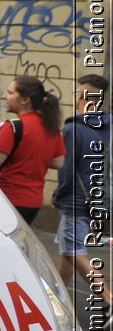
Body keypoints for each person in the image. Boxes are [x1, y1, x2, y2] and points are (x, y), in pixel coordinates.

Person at [53, 75, 110, 314]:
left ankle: (108, 299)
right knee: (68, 249)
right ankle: (57, 298)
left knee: (75, 250)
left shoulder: (73, 128)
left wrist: (59, 196)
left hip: (77, 199)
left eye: (78, 91)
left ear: (84, 96)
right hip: (101, 198)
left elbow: (67, 170)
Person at [0, 75, 65, 224]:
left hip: (8, 198)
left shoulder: (13, 127)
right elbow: (58, 163)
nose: (5, 96)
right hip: (33, 202)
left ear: (25, 100)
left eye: (10, 93)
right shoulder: (50, 127)